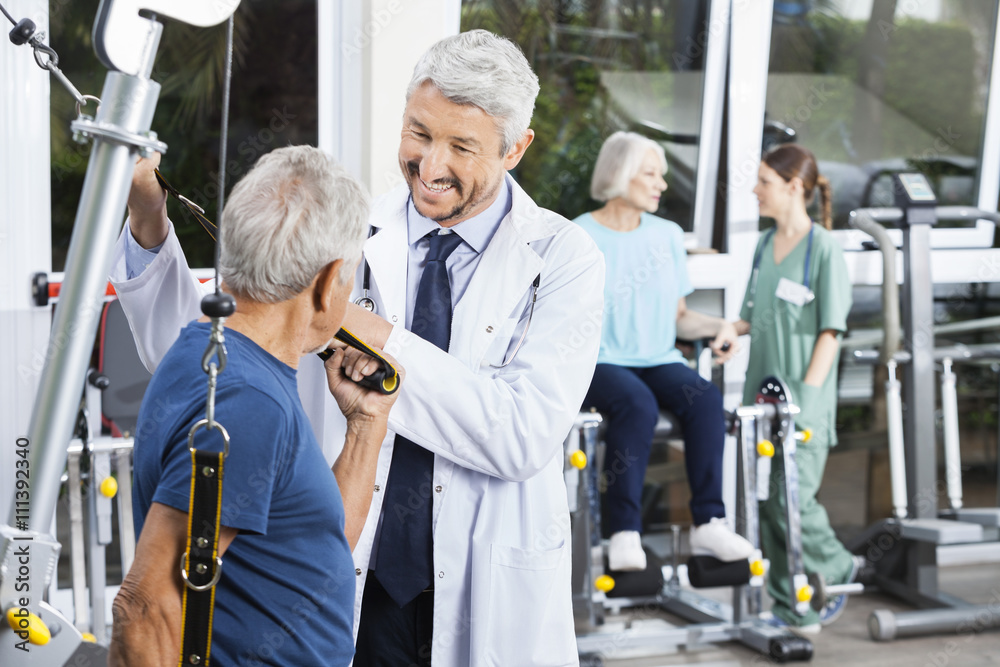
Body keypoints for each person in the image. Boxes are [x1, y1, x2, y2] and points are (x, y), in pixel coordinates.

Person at [109, 30, 604, 666]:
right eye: (419, 134)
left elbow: (520, 436)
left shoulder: (563, 260)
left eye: (461, 147)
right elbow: (217, 342)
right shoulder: (352, 226)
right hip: (354, 571)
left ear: (515, 150)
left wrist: (358, 323)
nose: (430, 167)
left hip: (490, 583)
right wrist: (148, 220)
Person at [108, 146, 403, 665]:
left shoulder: (223, 359)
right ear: (330, 280)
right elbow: (145, 609)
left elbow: (313, 548)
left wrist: (365, 425)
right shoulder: (248, 400)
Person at [574, 132, 754, 571]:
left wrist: (720, 326)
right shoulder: (580, 234)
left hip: (656, 356)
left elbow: (680, 318)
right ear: (620, 174)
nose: (662, 185)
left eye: (661, 175)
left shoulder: (667, 235)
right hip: (601, 360)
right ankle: (623, 531)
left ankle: (709, 523)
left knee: (706, 398)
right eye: (651, 174)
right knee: (637, 405)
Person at [731, 143, 863, 633]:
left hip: (801, 405)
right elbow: (750, 317)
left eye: (764, 181)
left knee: (795, 505)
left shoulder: (824, 248)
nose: (755, 190)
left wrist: (804, 399)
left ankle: (836, 565)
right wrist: (731, 332)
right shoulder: (765, 245)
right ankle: (794, 609)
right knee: (768, 507)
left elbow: (831, 331)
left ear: (794, 187)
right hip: (760, 402)